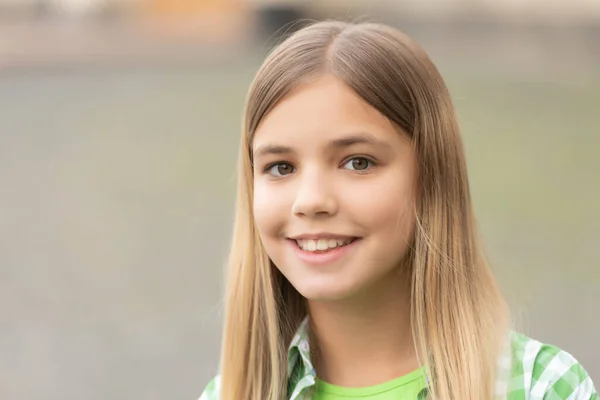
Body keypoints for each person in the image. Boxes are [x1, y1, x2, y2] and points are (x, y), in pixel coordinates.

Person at [199, 20, 597, 400]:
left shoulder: (541, 388)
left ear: (431, 176)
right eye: (281, 167)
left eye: (358, 162)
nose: (311, 201)